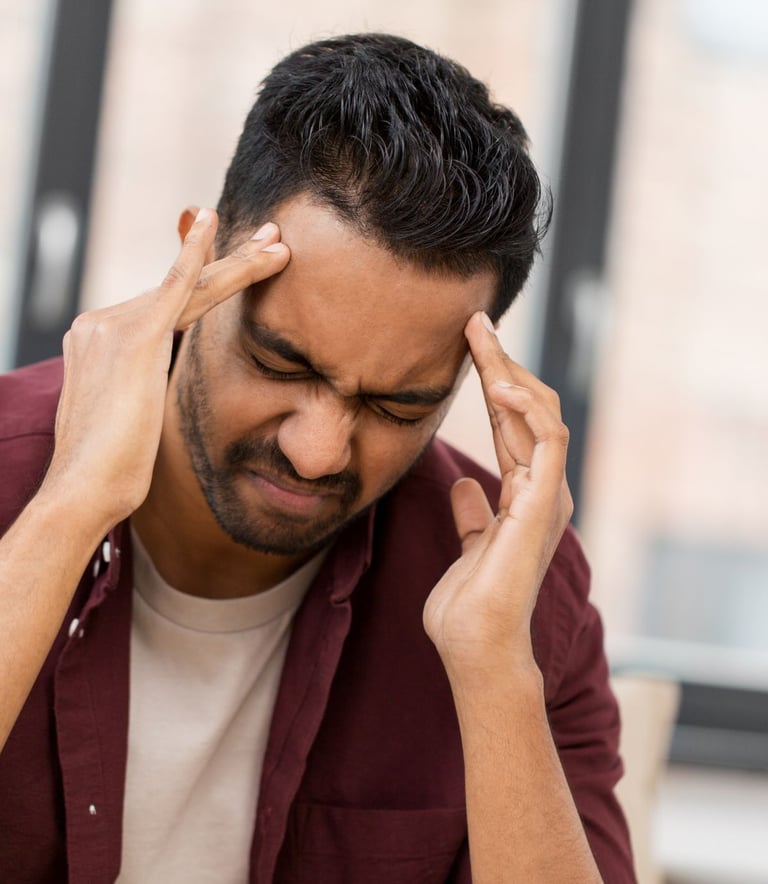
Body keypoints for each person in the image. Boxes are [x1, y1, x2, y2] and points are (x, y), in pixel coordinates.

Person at [0, 33, 635, 883]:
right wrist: (66, 510)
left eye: (397, 405)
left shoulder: (515, 588)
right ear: (201, 264)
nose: (316, 452)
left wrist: (493, 670)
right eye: (281, 364)